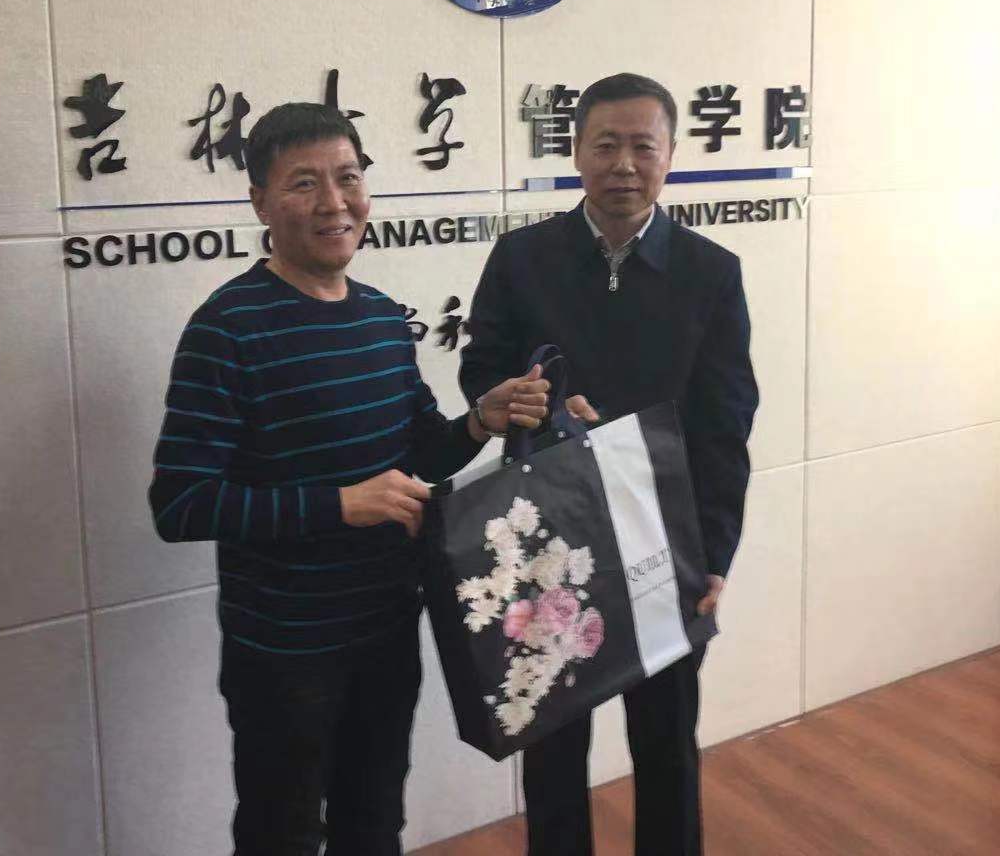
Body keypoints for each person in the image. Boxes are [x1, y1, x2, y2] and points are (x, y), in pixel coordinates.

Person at [147, 102, 551, 856]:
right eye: (304, 183)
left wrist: (478, 422)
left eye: (348, 177)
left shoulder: (380, 319)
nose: (334, 202)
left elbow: (420, 454)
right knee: (282, 834)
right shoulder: (225, 329)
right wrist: (338, 505)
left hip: (388, 627)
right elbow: (180, 503)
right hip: (285, 652)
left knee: (375, 824)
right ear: (261, 203)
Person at [459, 72, 759, 855]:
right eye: (606, 145)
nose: (624, 165)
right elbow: (481, 373)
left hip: (666, 540)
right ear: (576, 151)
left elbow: (726, 425)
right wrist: (538, 403)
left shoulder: (710, 271)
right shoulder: (522, 258)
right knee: (553, 746)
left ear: (670, 156)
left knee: (667, 743)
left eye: (642, 147)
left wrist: (714, 555)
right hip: (551, 536)